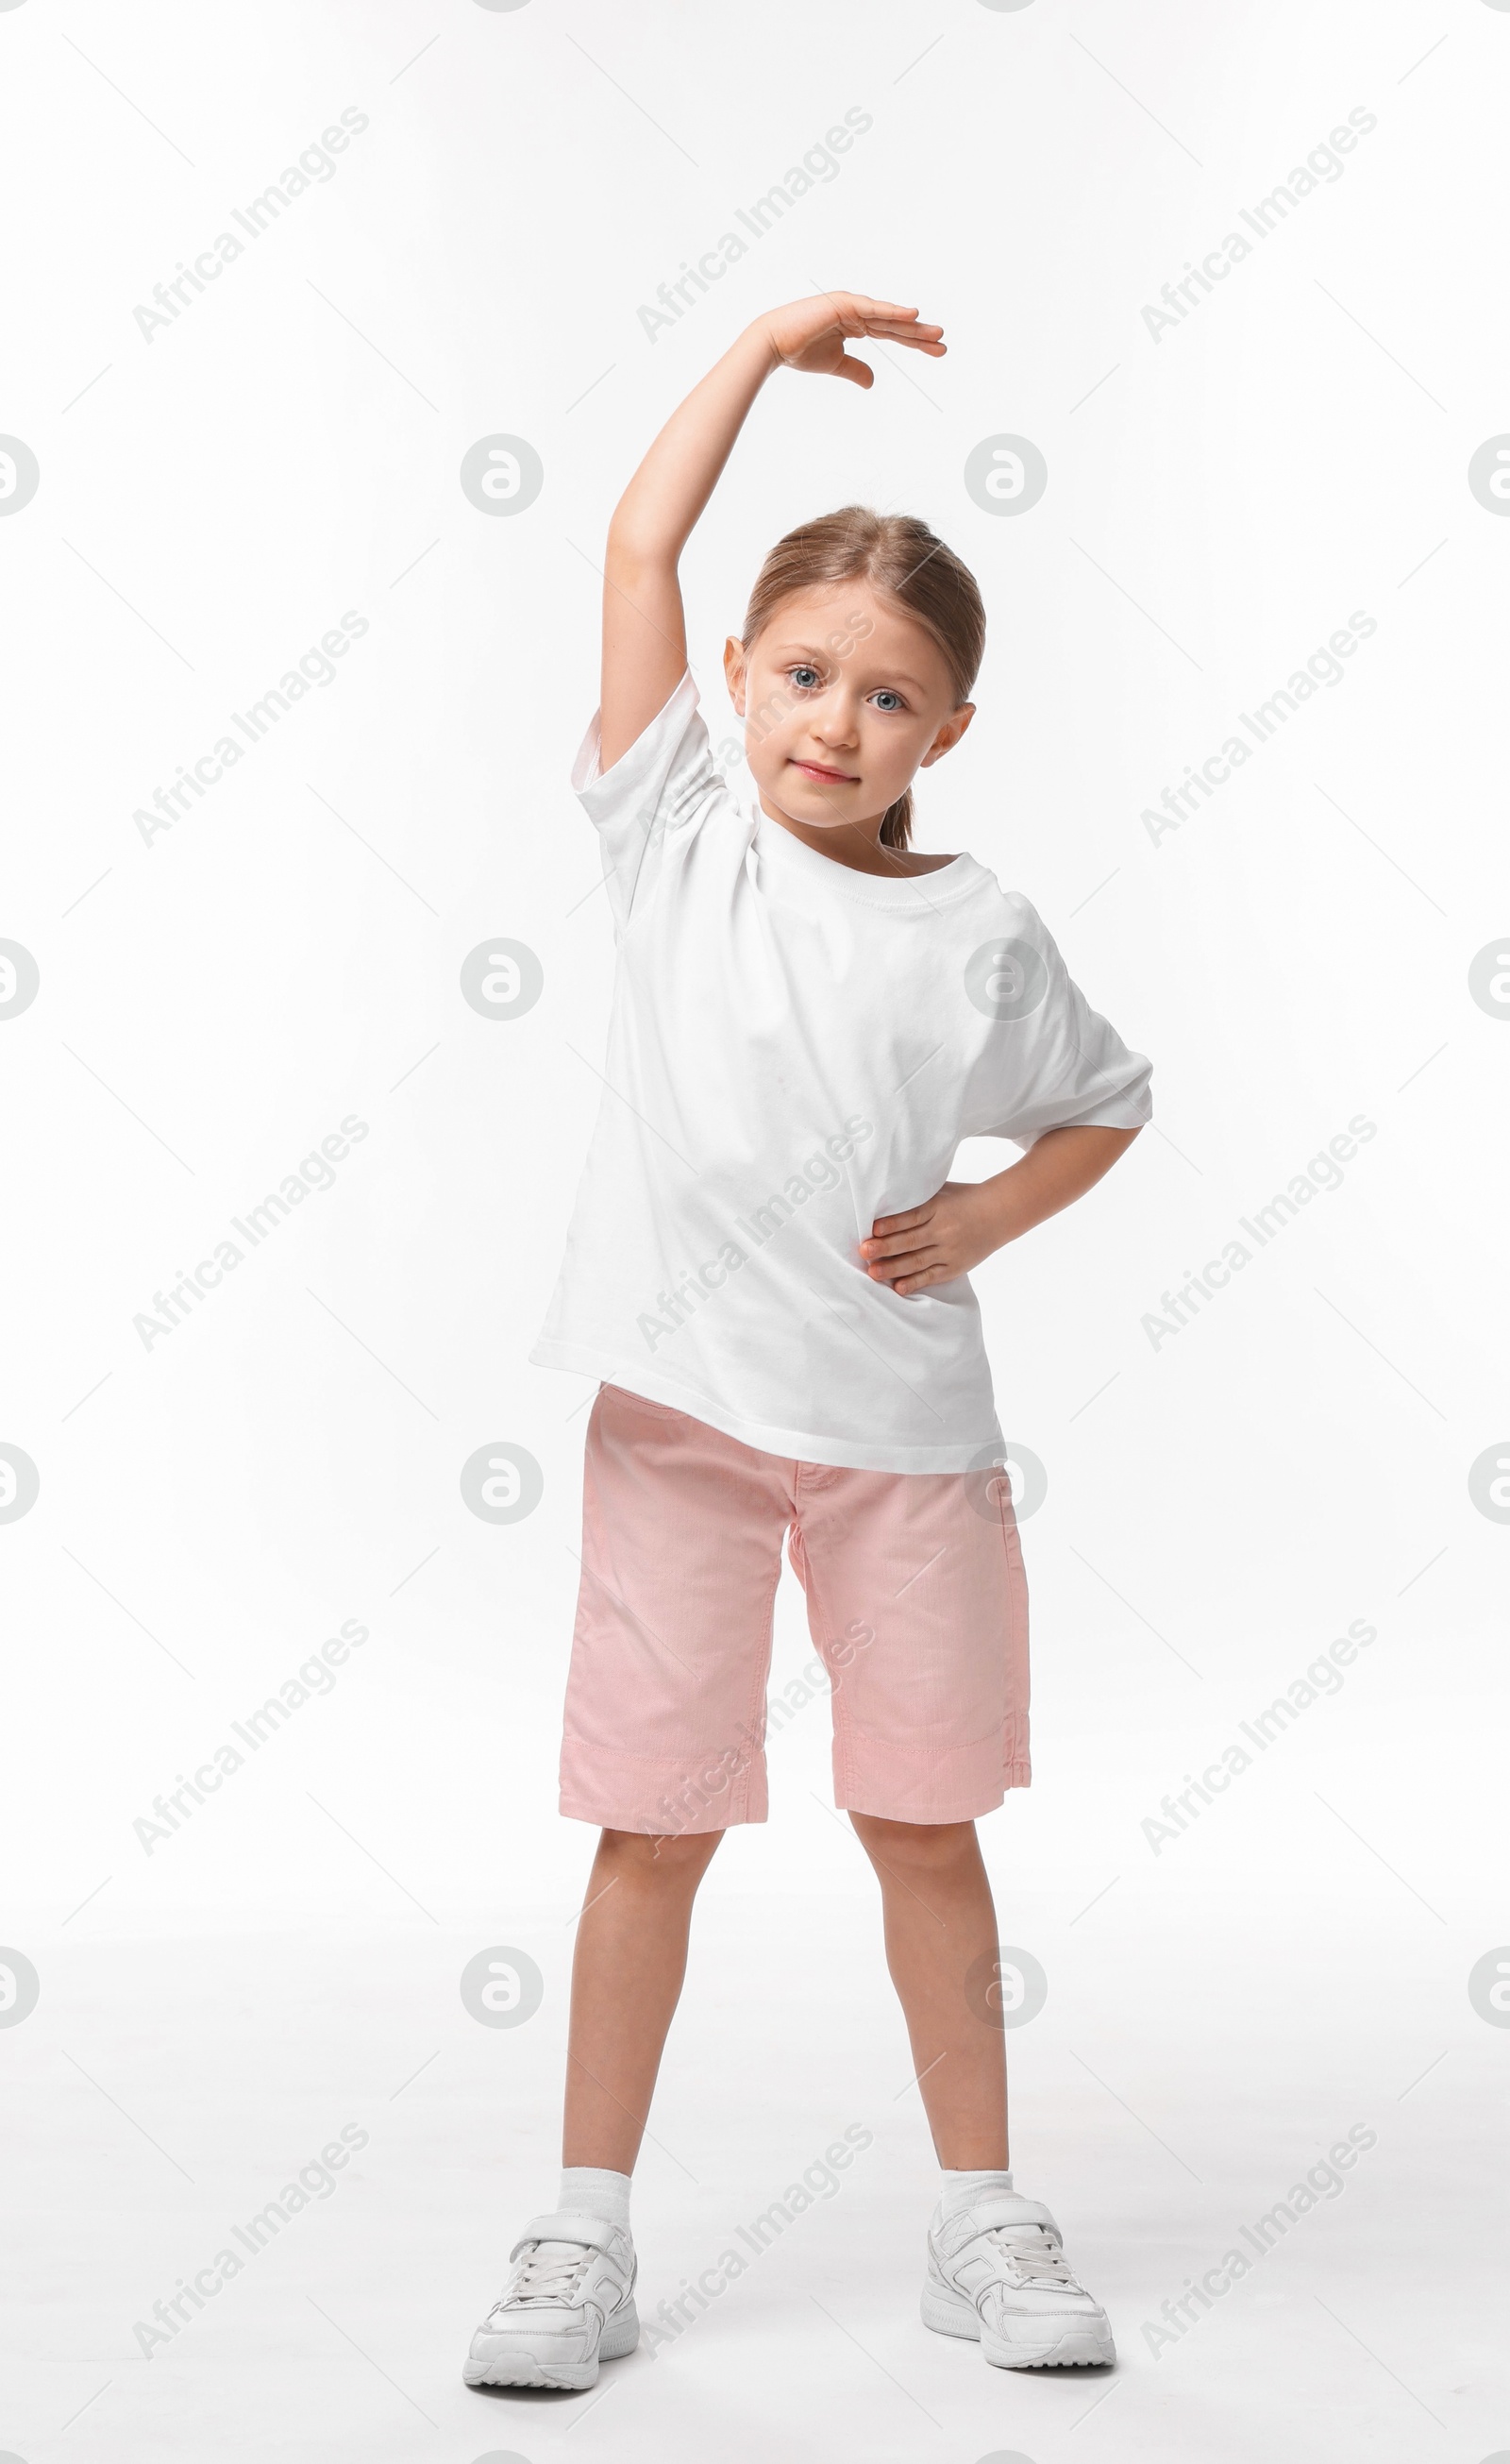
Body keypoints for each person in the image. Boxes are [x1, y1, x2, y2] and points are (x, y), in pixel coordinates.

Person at [464, 293, 1151, 2392]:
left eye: (887, 697)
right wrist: (756, 357)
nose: (831, 725)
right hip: (679, 1429)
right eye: (799, 677)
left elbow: (1105, 1102)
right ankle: (581, 2233)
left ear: (944, 729)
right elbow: (631, 554)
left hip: (900, 1450)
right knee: (650, 1824)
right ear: (740, 680)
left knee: (923, 1825)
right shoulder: (670, 836)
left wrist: (976, 1215)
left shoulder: (980, 933)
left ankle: (978, 2219)